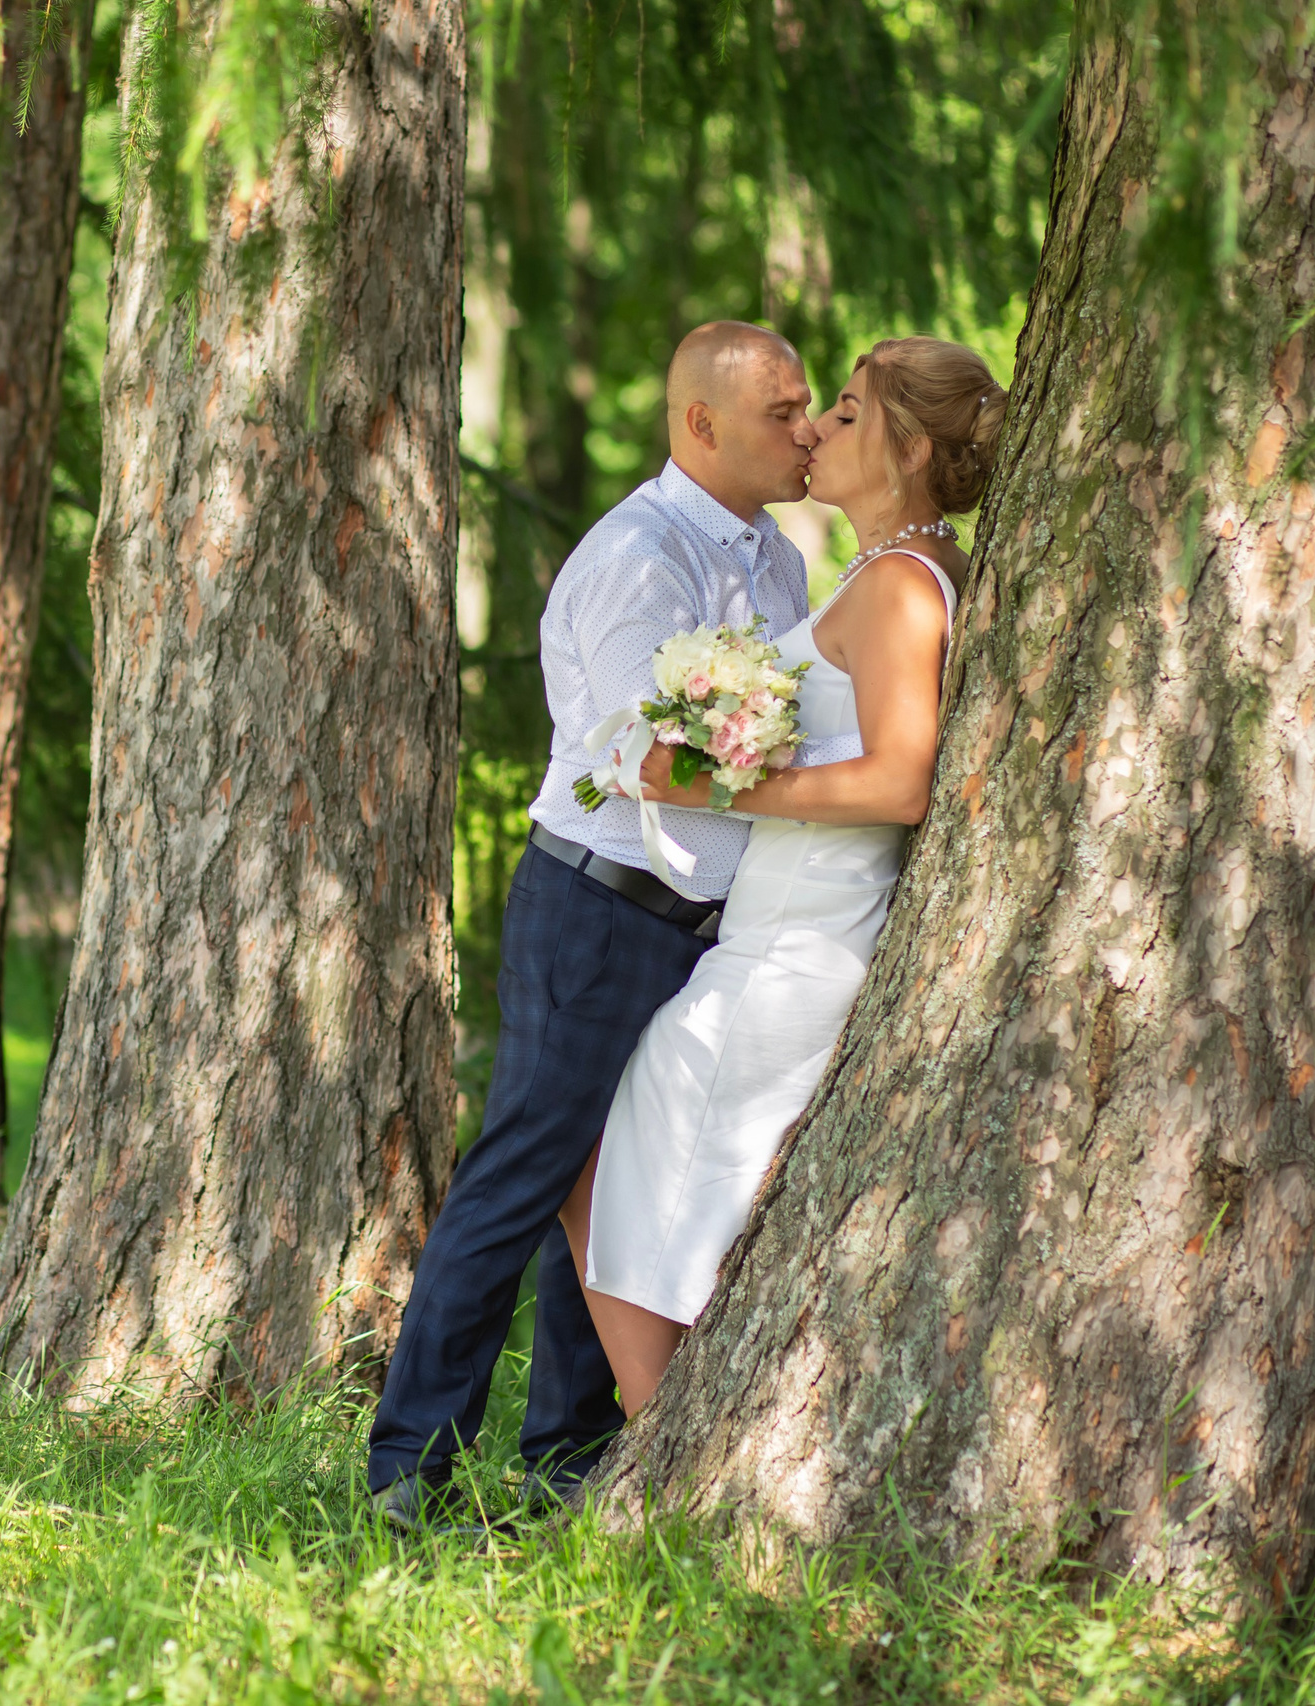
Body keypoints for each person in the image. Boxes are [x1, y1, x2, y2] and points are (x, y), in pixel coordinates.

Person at [366, 321, 818, 1529]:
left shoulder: (779, 562)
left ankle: (565, 1458)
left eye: (808, 403)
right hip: (598, 908)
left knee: (626, 1190)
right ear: (699, 424)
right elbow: (640, 751)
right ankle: (408, 1463)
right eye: (780, 409)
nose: (806, 427)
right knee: (523, 1174)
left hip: (705, 924)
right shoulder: (636, 553)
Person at [564, 335, 1007, 1413]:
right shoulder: (890, 571)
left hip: (798, 945)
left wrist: (709, 787)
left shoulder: (903, 584)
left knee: (603, 1177)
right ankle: (668, 1442)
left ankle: (662, 1456)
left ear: (905, 448)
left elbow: (901, 781)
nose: (814, 428)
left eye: (845, 413)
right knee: (646, 1185)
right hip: (781, 927)